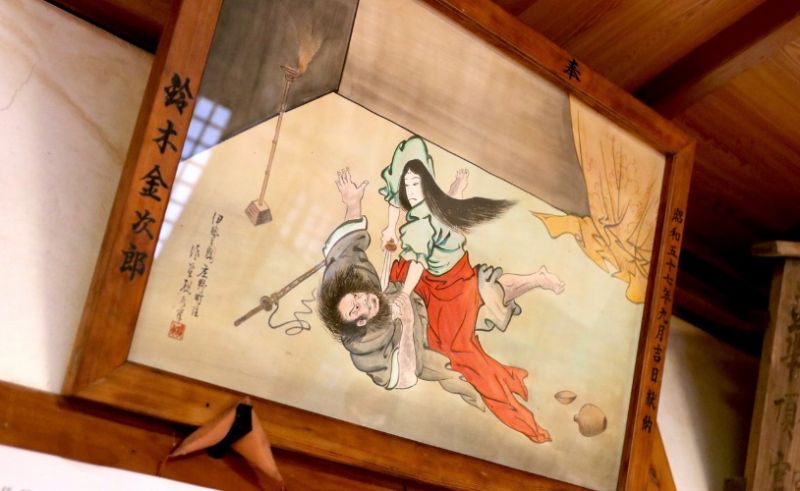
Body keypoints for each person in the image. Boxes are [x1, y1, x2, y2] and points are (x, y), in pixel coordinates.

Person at [378, 136, 566, 443]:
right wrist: (391, 225)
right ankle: (534, 279)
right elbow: (396, 191)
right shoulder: (429, 193)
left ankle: (522, 419)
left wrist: (401, 295)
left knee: (457, 354)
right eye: (407, 185)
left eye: (415, 185)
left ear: (427, 183)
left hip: (448, 288)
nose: (409, 191)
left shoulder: (420, 225)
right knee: (421, 282)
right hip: (454, 273)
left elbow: (418, 264)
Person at [318, 168, 486, 411]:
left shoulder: (345, 276)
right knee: (457, 337)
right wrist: (407, 324)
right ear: (360, 322)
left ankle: (448, 206)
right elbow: (405, 378)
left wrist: (353, 203)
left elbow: (346, 246)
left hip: (401, 289)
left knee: (425, 248)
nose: (363, 299)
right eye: (356, 309)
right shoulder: (364, 351)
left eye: (356, 296)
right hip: (421, 337)